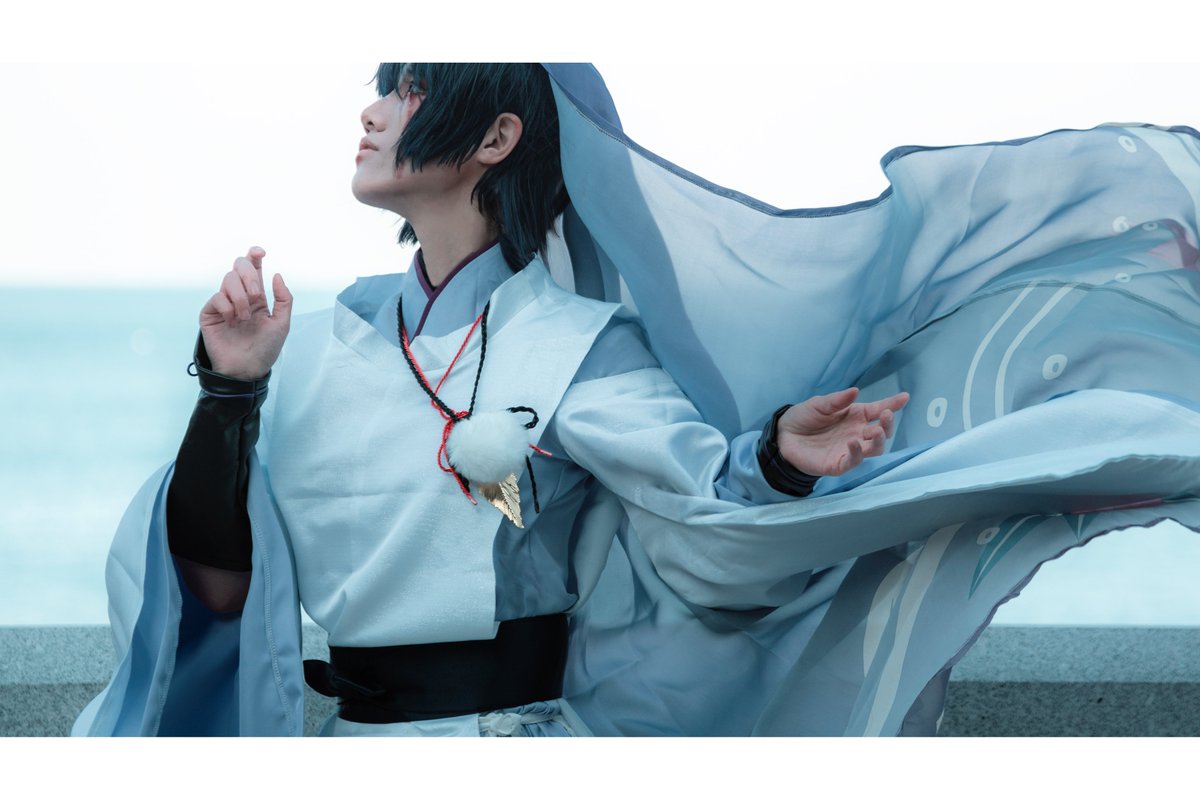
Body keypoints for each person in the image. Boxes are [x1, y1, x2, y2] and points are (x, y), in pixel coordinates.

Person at [76, 63, 1200, 737]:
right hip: (347, 745)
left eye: (409, 87)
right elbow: (217, 578)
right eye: (382, 86)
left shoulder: (573, 344)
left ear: (496, 137)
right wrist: (230, 386)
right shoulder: (316, 344)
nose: (372, 111)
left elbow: (701, 505)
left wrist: (778, 457)